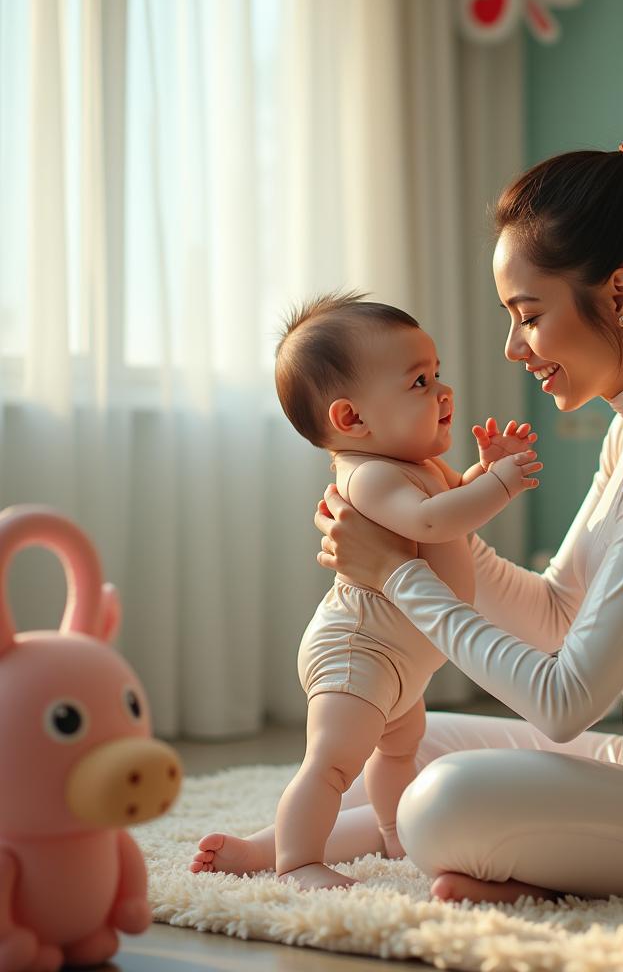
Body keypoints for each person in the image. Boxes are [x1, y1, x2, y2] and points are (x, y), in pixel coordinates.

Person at [192, 93, 623, 905]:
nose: (511, 347)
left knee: (441, 796)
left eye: (527, 316)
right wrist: (429, 530)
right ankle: (356, 851)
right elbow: (561, 615)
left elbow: (567, 703)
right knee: (414, 740)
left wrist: (400, 575)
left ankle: (516, 874)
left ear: (622, 298)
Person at [190, 293, 541, 890]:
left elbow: (452, 507)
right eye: (420, 382)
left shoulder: (417, 466)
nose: (443, 392)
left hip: (401, 661)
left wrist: (485, 471)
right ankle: (297, 861)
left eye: (438, 374)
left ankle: (395, 836)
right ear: (352, 420)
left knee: (399, 752)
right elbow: (434, 523)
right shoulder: (371, 476)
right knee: (331, 764)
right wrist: (501, 486)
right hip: (359, 650)